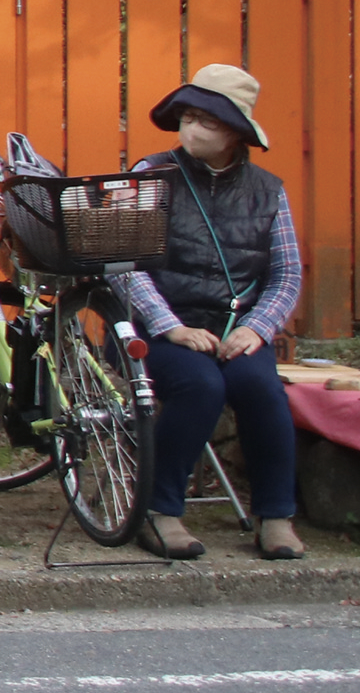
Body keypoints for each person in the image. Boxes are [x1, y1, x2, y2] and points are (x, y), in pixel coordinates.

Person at [107, 64, 306, 561]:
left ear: (236, 133)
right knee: (202, 386)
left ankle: (277, 516)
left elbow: (287, 275)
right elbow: (122, 265)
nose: (192, 128)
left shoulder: (269, 190)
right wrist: (171, 326)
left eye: (207, 121)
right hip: (153, 325)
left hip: (234, 327)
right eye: (188, 117)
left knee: (261, 386)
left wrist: (258, 329)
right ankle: (159, 510)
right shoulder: (148, 175)